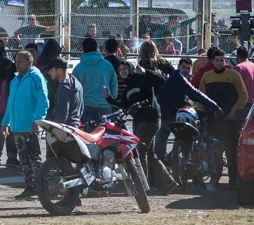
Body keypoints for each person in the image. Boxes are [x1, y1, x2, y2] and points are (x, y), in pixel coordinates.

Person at [108, 42, 177, 192]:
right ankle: (169, 182)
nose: (123, 71)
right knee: (150, 154)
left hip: (150, 119)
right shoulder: (127, 89)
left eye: (125, 68)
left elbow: (162, 80)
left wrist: (147, 72)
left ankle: (142, 186)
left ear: (131, 68)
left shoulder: (142, 77)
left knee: (139, 152)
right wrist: (108, 98)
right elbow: (123, 106)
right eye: (120, 69)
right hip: (142, 121)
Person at [1, 50, 49, 200]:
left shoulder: (36, 78)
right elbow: (10, 103)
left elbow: (43, 102)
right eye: (16, 61)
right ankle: (30, 187)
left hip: (30, 128)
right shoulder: (15, 80)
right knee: (23, 160)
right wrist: (5, 122)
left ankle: (42, 189)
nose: (17, 64)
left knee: (34, 159)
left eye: (20, 61)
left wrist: (37, 121)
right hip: (17, 127)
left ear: (30, 62)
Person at [197, 48, 247, 188]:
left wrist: (233, 113)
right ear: (212, 61)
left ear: (225, 61)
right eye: (217, 60)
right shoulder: (207, 76)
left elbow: (243, 95)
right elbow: (201, 98)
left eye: (222, 60)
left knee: (231, 152)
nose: (219, 63)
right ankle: (214, 180)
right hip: (212, 120)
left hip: (228, 120)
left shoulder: (234, 75)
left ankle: (233, 181)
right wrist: (202, 116)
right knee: (214, 152)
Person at [72, 36, 117, 124]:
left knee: (89, 132)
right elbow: (114, 84)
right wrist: (112, 99)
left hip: (86, 105)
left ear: (83, 49)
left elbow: (73, 89)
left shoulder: (78, 68)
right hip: (105, 103)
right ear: (97, 48)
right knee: (105, 131)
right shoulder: (107, 64)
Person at [43, 57, 82, 127]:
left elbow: (62, 114)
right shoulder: (77, 83)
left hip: (63, 129)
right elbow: (81, 108)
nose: (49, 73)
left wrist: (53, 128)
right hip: (74, 127)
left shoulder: (63, 87)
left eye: (51, 70)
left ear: (59, 71)